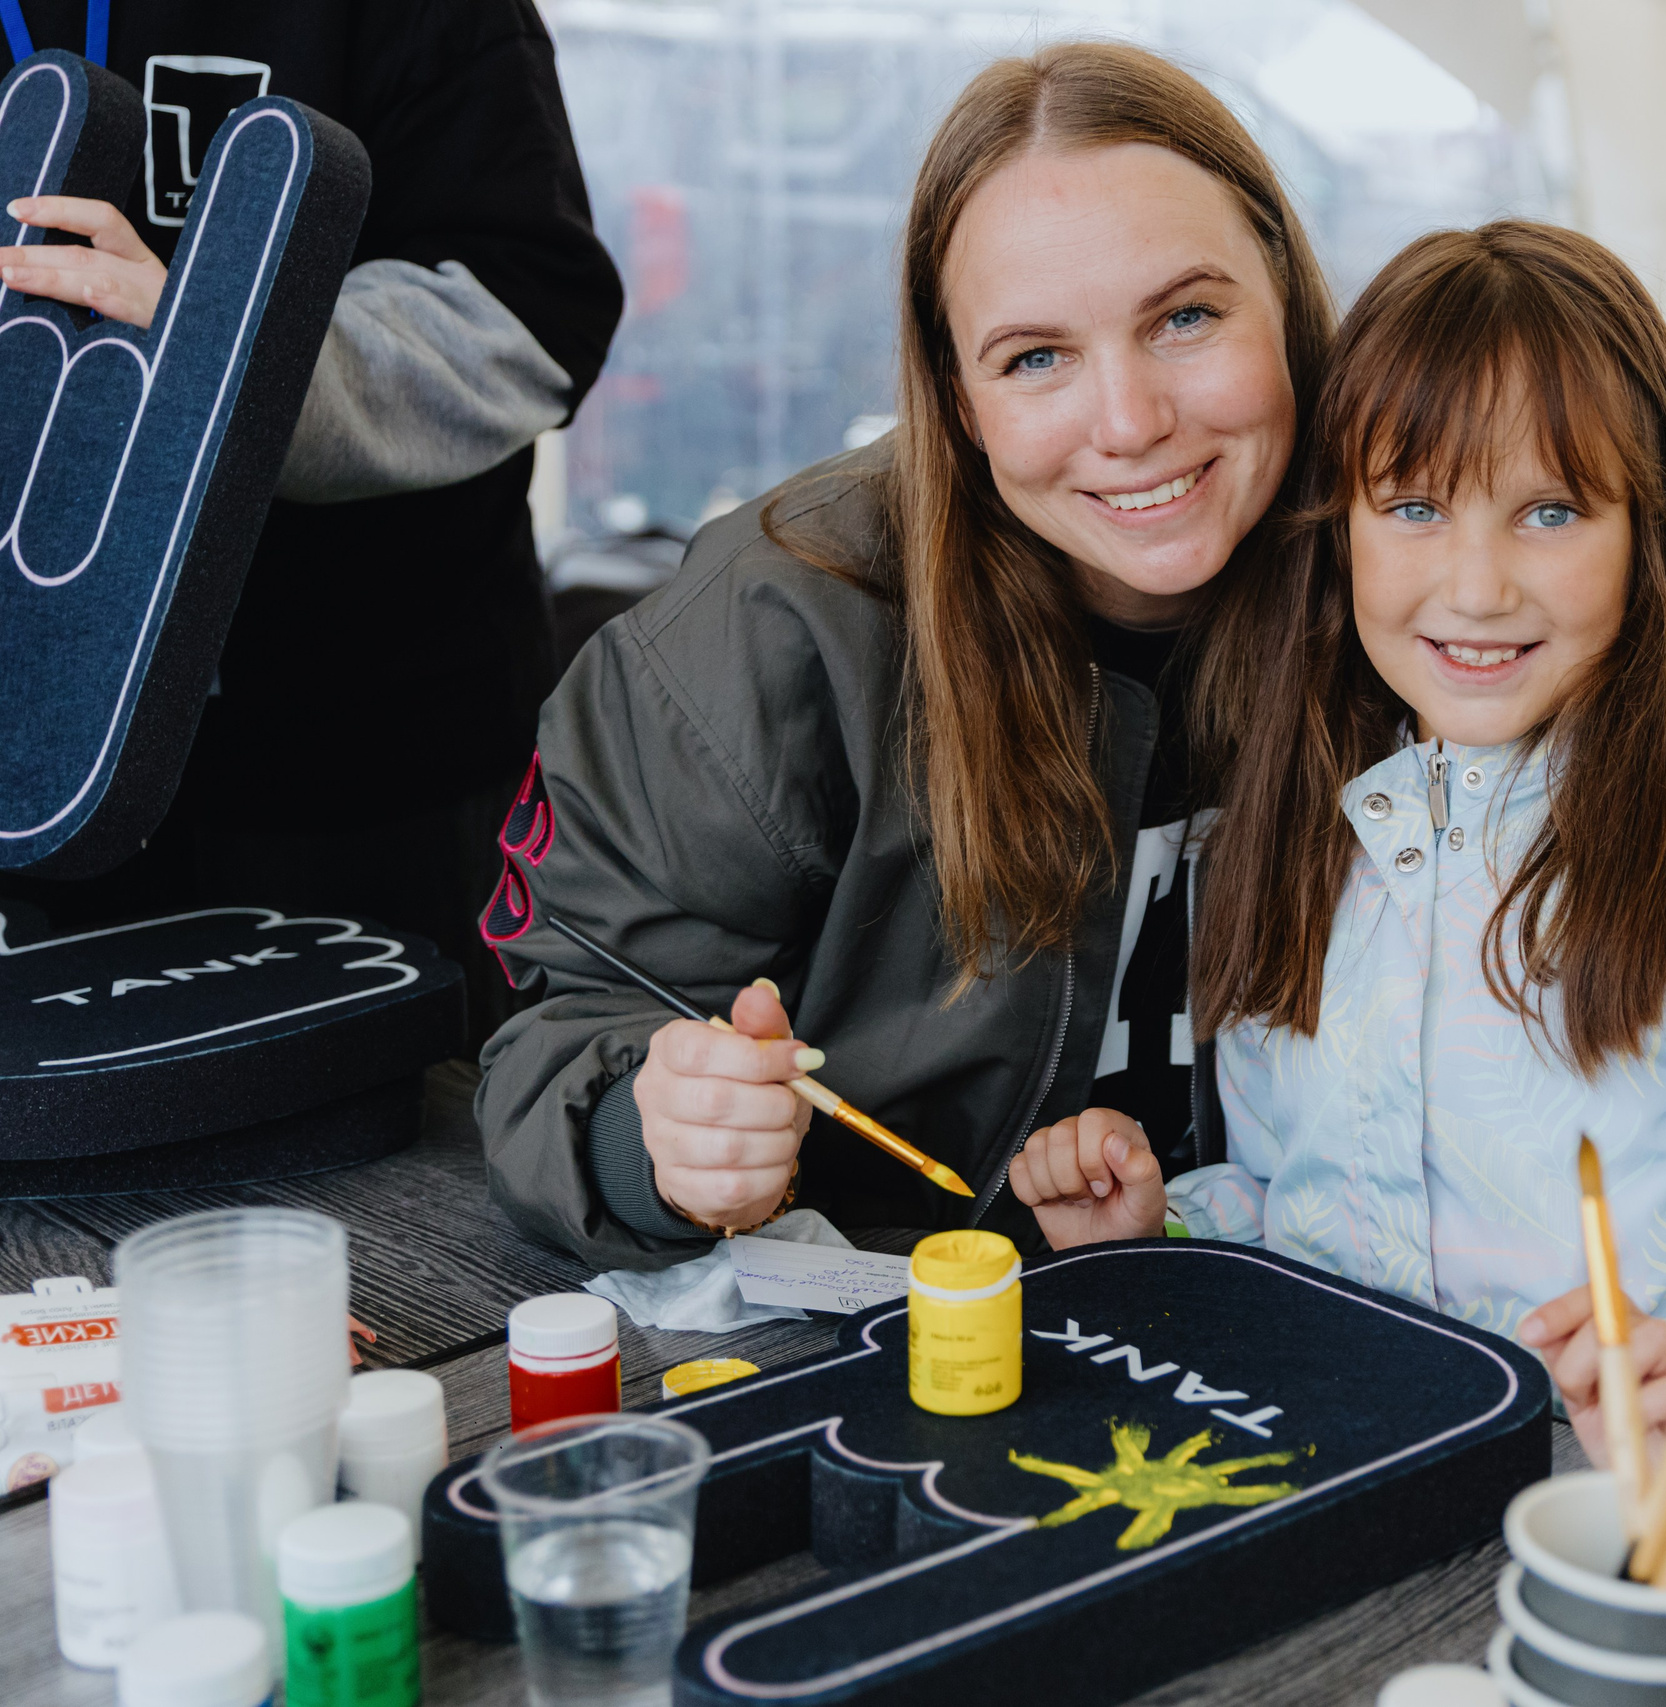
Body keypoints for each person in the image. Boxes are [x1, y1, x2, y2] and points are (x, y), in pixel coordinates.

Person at [1009, 221, 1666, 1504]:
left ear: (1654, 530)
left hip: (1612, 1540)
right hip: (1336, 1491)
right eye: (1412, 507)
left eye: (1549, 511)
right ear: (1336, 530)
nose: (1474, 586)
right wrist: (1164, 1238)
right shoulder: (1297, 827)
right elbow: (1310, 1202)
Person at [473, 43, 1331, 1266]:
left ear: (1288, 301)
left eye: (1185, 318)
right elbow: (558, 1035)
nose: (1131, 423)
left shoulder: (1421, 571)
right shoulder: (779, 622)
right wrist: (654, 1138)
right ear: (957, 397)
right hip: (891, 1330)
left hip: (1335, 1314)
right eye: (1036, 357)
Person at [0, 0, 623, 1044]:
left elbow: (528, 320)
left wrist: (227, 354)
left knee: (396, 1175)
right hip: (33, 779)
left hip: (362, 779)